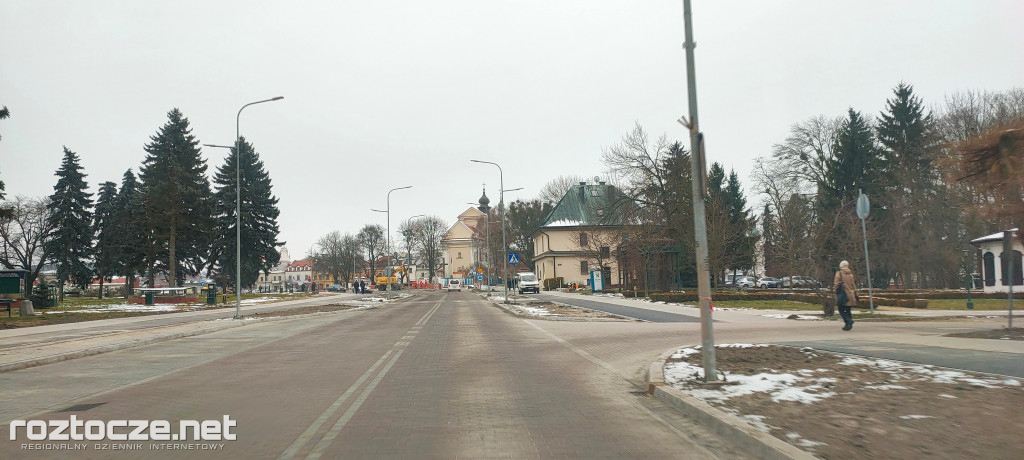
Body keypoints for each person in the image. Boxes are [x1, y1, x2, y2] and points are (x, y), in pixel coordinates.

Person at [833, 260, 859, 331]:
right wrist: (856, 294)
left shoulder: (839, 273)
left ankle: (848, 320)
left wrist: (835, 291)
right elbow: (854, 285)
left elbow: (837, 284)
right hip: (851, 295)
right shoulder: (850, 275)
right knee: (848, 310)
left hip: (843, 295)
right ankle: (848, 325)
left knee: (841, 309)